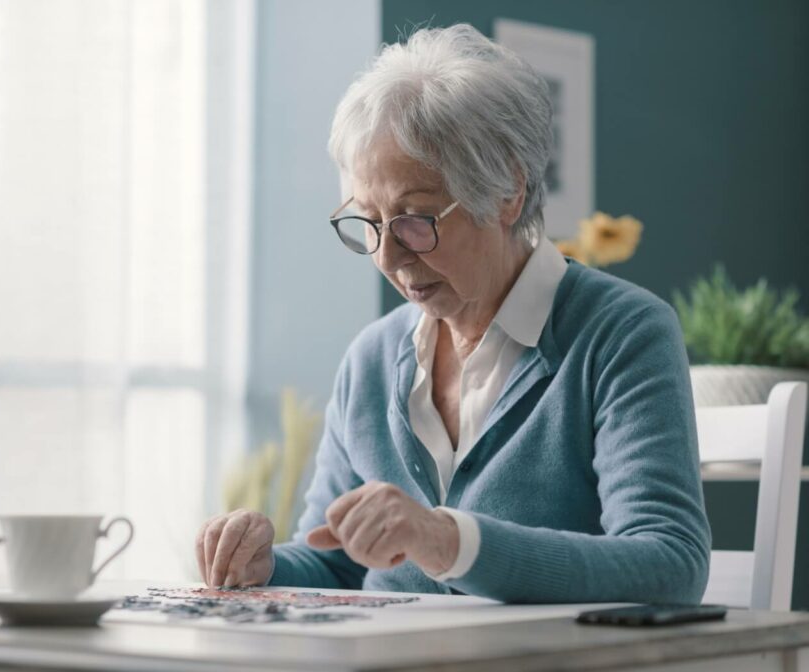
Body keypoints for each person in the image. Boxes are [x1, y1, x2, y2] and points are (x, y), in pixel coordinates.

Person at [195, 24, 710, 603]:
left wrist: (451, 542)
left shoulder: (621, 334)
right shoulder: (371, 359)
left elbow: (669, 565)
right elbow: (334, 566)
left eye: (416, 220)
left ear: (508, 193)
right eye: (367, 222)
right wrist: (263, 565)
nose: (387, 257)